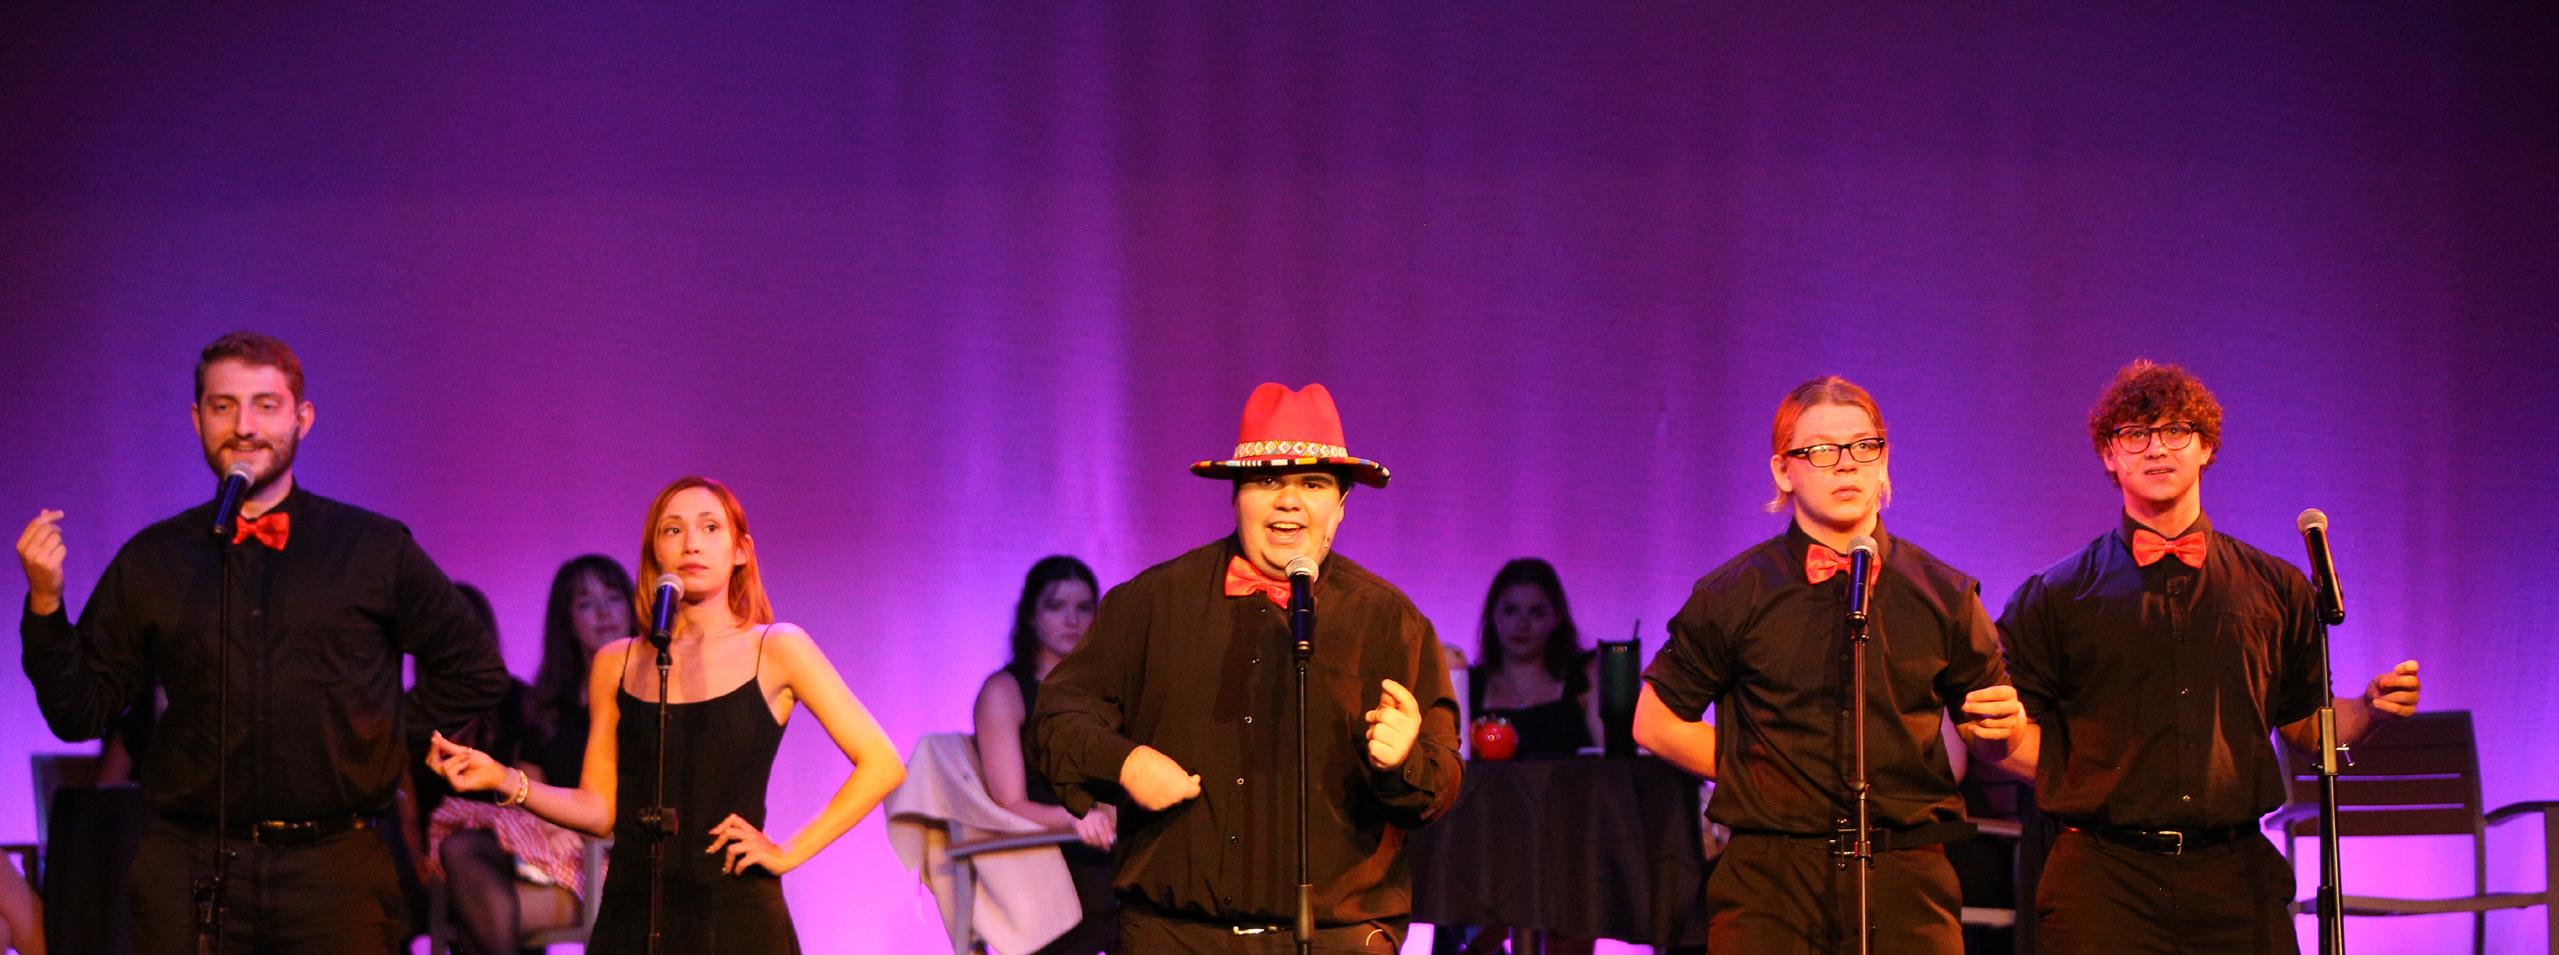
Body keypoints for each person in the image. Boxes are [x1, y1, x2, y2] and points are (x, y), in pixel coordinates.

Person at [14, 330, 510, 953]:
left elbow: (475, 669)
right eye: (223, 406)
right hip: (190, 866)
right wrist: (45, 603)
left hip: (336, 868)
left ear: (303, 418)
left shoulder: (373, 548)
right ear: (197, 419)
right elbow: (78, 712)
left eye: (265, 405)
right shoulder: (154, 559)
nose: (244, 426)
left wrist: (378, 734)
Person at [1996, 359, 2422, 954]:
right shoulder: (2056, 595)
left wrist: (2370, 711)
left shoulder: (2277, 587)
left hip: (2235, 877)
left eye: (2175, 431)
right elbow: (2008, 732)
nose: (2156, 448)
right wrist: (2070, 769)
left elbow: (2306, 725)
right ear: (2110, 456)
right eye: (2135, 434)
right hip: (2103, 877)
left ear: (2206, 447)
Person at [1029, 381, 1463, 954]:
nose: (1289, 501)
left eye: (1312, 483)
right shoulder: (1151, 604)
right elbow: (1057, 716)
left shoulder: (1390, 621)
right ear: (1236, 497)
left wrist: (1402, 762)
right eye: (1267, 481)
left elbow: (1441, 782)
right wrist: (1125, 762)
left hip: (1336, 938)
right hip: (1173, 936)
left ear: (1340, 507)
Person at [1632, 375, 2029, 955]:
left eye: (1863, 446)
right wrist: (1761, 771)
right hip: (1772, 880)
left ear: (1883, 460)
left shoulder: (1944, 593)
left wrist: (2003, 731)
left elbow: (1986, 731)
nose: (1846, 464)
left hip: (1906, 875)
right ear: (1782, 470)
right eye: (1821, 450)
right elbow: (1654, 723)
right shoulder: (1734, 594)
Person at [424, 476, 905, 953]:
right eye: (673, 529)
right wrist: (504, 778)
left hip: (734, 912)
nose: (691, 542)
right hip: (634, 909)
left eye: (710, 527)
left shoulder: (777, 648)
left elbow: (882, 764)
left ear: (740, 550)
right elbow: (601, 810)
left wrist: (789, 851)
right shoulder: (617, 661)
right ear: (655, 552)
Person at [428, 557, 637, 954]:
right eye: (586, 603)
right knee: (460, 849)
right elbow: (527, 786)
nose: (603, 613)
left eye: (613, 598)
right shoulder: (550, 705)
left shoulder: (648, 694)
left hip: (607, 854)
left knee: (474, 919)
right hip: (548, 849)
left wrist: (579, 824)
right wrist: (553, 822)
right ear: (568, 622)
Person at [971, 555, 1117, 955]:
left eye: (1084, 607)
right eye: (1056, 606)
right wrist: (1074, 819)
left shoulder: (1103, 691)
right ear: (1030, 617)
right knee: (1114, 904)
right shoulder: (1006, 691)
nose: (1072, 620)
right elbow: (1009, 802)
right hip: (1044, 852)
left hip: (1101, 843)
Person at [1469, 557, 1603, 759]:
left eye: (1536, 613)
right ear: (1492, 615)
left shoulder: (1586, 676)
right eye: (1510, 611)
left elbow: (1615, 763)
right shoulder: (1469, 686)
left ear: (1557, 618)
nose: (1522, 624)